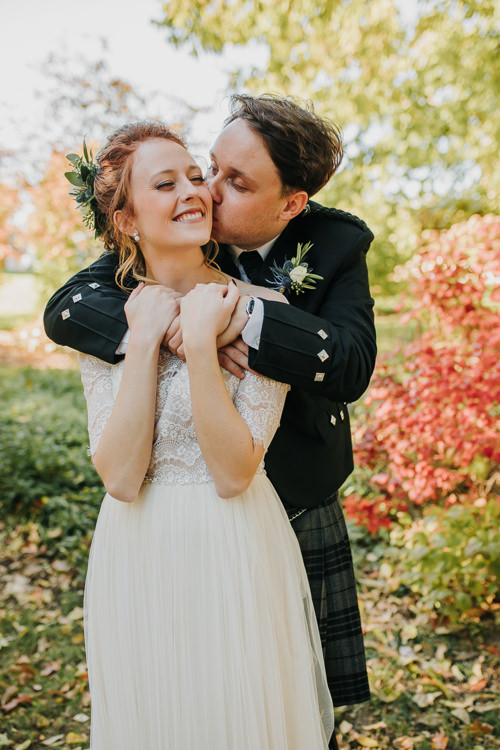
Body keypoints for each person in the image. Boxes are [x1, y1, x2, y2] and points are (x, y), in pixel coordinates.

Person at [45, 94, 377, 747]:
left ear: (291, 203)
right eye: (205, 169)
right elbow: (66, 308)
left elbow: (350, 364)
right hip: (145, 538)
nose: (208, 192)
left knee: (274, 701)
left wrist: (236, 327)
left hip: (281, 504)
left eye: (231, 180)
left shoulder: (325, 252)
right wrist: (157, 331)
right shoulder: (123, 289)